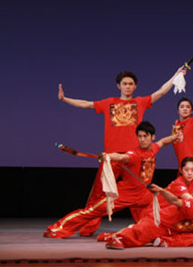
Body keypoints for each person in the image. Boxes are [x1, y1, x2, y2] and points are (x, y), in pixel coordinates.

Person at [57, 67, 185, 236]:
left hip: (133, 157)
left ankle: (144, 227)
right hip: (112, 157)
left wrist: (176, 75)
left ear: (135, 87)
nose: (127, 86)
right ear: (119, 86)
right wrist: (65, 99)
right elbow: (87, 104)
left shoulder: (140, 102)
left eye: (131, 84)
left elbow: (161, 92)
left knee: (139, 194)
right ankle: (88, 228)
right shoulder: (109, 103)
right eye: (124, 84)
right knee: (99, 195)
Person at [43, 121, 181, 239]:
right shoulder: (133, 154)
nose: (142, 139)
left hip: (144, 194)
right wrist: (108, 156)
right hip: (123, 194)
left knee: (167, 206)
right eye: (140, 136)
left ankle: (170, 232)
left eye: (145, 136)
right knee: (91, 211)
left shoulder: (154, 148)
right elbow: (121, 157)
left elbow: (163, 141)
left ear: (152, 137)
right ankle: (58, 229)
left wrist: (175, 137)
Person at [105, 184, 193, 249]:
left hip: (174, 233)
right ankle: (117, 238)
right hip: (161, 222)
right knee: (141, 233)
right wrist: (161, 190)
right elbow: (174, 200)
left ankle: (164, 242)